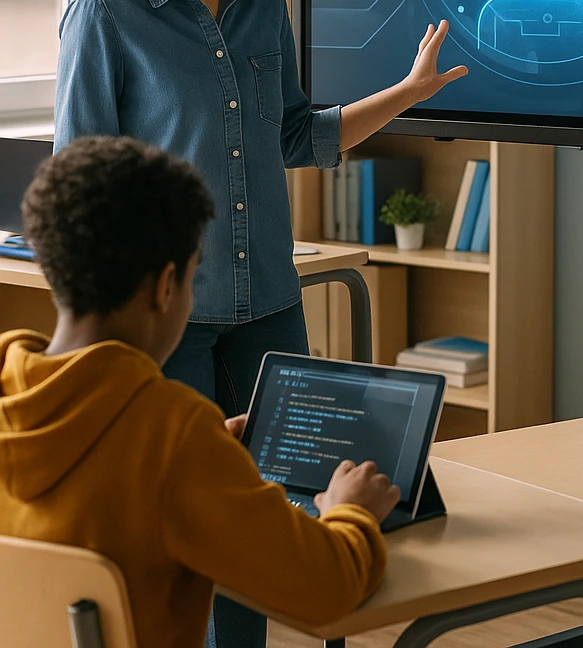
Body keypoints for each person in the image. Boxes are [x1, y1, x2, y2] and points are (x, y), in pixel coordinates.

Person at [54, 0, 466, 645]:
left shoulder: (260, 0)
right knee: (186, 533)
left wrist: (409, 92)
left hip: (270, 304)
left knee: (277, 510)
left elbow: (294, 136)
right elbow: (84, 183)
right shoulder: (106, 16)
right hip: (170, 318)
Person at [0, 135, 400, 648]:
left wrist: (211, 454)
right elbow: (328, 589)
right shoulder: (171, 436)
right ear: (166, 285)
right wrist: (353, 511)